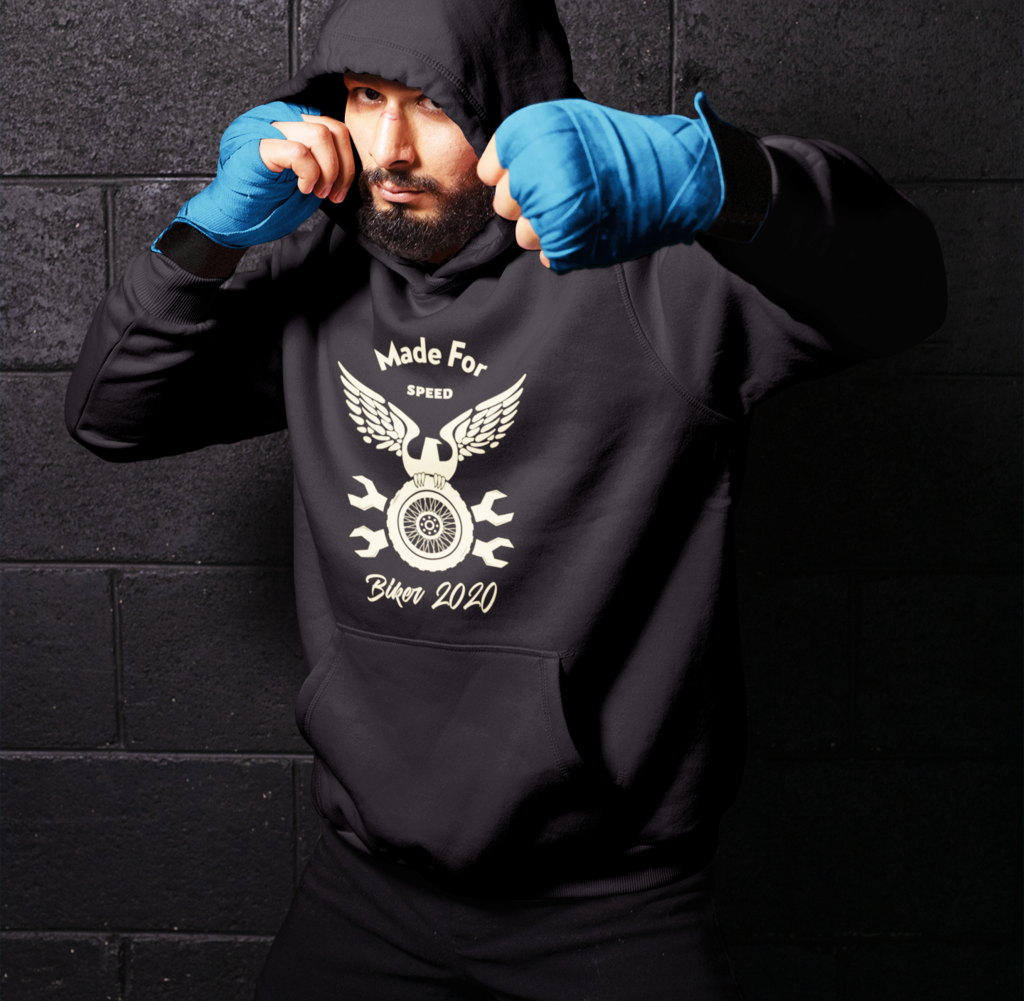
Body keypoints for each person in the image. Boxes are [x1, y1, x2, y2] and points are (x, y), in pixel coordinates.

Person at [65, 0, 947, 997]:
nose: (391, 148)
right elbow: (109, 415)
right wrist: (204, 243)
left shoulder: (654, 277)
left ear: (509, 105)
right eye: (365, 99)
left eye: (430, 107)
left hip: (610, 909)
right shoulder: (316, 271)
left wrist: (714, 177)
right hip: (369, 890)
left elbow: (906, 291)